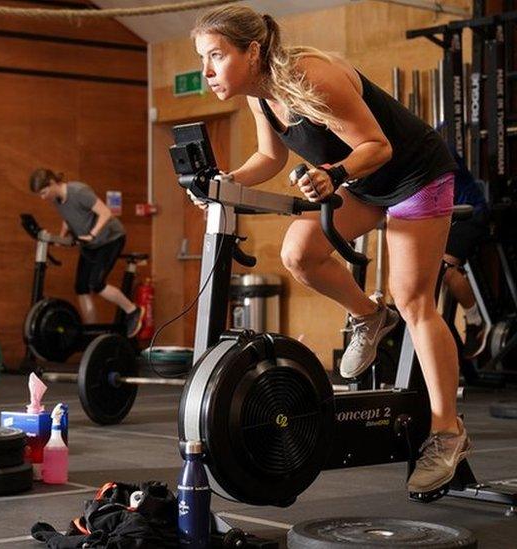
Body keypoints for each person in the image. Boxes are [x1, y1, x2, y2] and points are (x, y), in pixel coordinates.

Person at [192, 5, 466, 494]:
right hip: (364, 184)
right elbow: (268, 157)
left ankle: (447, 432)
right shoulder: (260, 96)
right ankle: (368, 315)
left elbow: (378, 147)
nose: (207, 72)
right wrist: (224, 183)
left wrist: (334, 175)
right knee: (299, 253)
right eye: (203, 59)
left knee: (414, 300)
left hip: (414, 176)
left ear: (251, 51)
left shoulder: (309, 77)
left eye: (216, 56)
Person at [29, 169, 144, 337]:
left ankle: (133, 310)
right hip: (91, 245)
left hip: (110, 239)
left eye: (44, 192)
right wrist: (61, 238)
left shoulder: (78, 191)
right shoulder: (57, 200)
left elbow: (105, 212)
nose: (42, 197)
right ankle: (92, 332)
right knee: (81, 287)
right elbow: (68, 219)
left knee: (96, 284)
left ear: (52, 183)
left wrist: (92, 235)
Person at [441, 148, 491, 360]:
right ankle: (444, 329)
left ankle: (476, 321)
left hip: (470, 214)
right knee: (431, 274)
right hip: (450, 218)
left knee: (444, 270)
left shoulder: (437, 150)